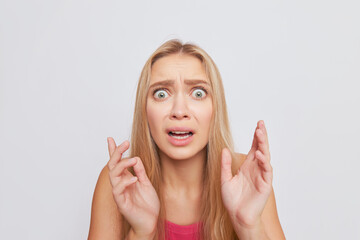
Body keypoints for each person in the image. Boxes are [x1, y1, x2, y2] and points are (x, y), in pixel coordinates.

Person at [88, 39, 285, 240]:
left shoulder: (246, 176)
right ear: (144, 110)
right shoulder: (121, 180)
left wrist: (250, 227)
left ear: (215, 109)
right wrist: (141, 233)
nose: (179, 111)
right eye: (161, 93)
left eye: (198, 93)